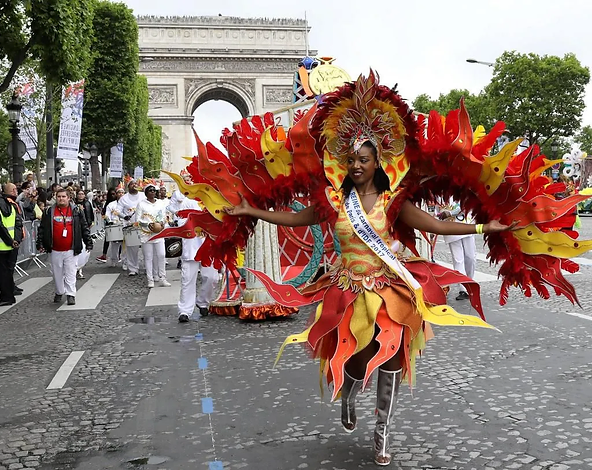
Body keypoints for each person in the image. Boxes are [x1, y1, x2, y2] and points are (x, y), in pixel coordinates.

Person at [173, 73, 556, 466]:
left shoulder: (394, 201)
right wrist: (250, 210)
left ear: (378, 162)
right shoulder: (336, 201)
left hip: (388, 289)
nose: (356, 165)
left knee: (391, 359)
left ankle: (382, 433)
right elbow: (295, 218)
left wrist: (482, 227)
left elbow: (436, 224)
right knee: (356, 359)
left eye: (364, 159)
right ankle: (350, 397)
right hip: (347, 291)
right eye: (352, 159)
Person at [37, 189, 93, 306]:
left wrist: (88, 241)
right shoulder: (49, 211)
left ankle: (71, 294)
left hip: (71, 248)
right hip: (55, 248)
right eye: (59, 196)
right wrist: (40, 243)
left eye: (63, 197)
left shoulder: (76, 211)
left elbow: (84, 227)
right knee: (57, 273)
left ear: (69, 198)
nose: (61, 199)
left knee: (71, 272)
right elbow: (42, 228)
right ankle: (59, 291)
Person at [170, 191, 218, 322]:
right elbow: (180, 221)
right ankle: (184, 310)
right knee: (188, 280)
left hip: (209, 247)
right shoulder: (187, 202)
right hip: (191, 248)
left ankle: (203, 302)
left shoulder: (214, 199)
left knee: (212, 277)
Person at [436, 198, 476, 300]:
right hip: (451, 229)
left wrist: (450, 213)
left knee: (470, 258)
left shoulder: (460, 187)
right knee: (458, 260)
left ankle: (469, 281)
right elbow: (437, 212)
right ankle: (464, 288)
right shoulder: (437, 194)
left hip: (466, 225)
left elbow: (466, 203)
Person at [136, 184, 171, 288]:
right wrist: (148, 225)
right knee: (148, 257)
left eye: (154, 190)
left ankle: (162, 277)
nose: (152, 192)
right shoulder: (141, 204)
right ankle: (150, 279)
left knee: (161, 255)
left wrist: (163, 223)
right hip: (146, 234)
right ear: (146, 193)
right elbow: (137, 220)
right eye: (150, 190)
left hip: (159, 233)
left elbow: (165, 216)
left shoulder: (160, 203)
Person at [116, 179, 145, 276]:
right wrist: (124, 216)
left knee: (147, 247)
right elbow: (117, 211)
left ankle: (149, 267)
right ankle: (133, 268)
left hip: (144, 225)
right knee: (132, 248)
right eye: (132, 184)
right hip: (130, 226)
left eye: (136, 184)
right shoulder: (123, 198)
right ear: (128, 187)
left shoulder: (143, 195)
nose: (134, 185)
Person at [103, 186, 124, 267]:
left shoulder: (127, 204)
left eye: (122, 192)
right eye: (119, 192)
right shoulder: (111, 204)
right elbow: (107, 215)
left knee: (125, 245)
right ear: (116, 194)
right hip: (115, 226)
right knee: (115, 245)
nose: (121, 194)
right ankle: (114, 260)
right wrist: (110, 222)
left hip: (125, 226)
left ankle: (125, 261)